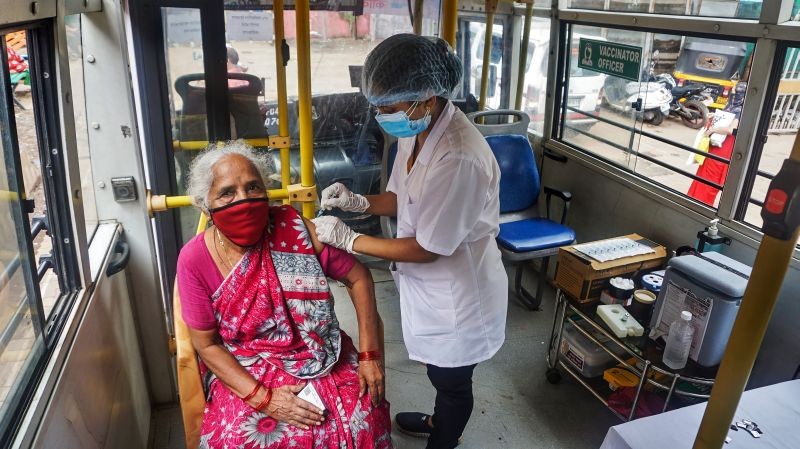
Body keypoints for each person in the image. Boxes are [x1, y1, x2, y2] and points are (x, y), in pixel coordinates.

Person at [312, 34, 508, 449]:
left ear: (428, 97)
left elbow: (428, 248)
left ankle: (444, 437)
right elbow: (403, 197)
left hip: (460, 297)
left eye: (389, 106)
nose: (382, 115)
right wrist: (358, 200)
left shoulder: (459, 156)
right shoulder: (415, 131)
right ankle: (439, 419)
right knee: (438, 370)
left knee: (451, 379)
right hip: (431, 288)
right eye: (379, 106)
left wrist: (349, 239)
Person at [177, 142, 392, 448]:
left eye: (253, 187)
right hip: (246, 365)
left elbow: (358, 277)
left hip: (318, 351)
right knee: (240, 439)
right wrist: (265, 399)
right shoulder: (194, 259)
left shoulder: (292, 228)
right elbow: (207, 344)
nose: (244, 200)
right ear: (204, 205)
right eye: (227, 192)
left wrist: (370, 355)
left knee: (364, 418)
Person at [687, 81, 747, 206]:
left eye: (736, 91)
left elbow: (731, 129)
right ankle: (693, 201)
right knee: (703, 175)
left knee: (710, 179)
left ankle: (701, 206)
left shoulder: (740, 110)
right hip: (716, 146)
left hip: (722, 150)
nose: (733, 93)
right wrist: (715, 116)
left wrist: (712, 130)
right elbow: (725, 119)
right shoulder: (732, 106)